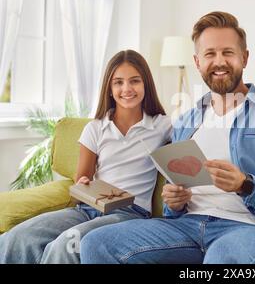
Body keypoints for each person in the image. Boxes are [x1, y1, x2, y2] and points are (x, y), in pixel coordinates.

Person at [79, 11, 255, 264]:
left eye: (228, 52)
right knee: (96, 243)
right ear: (197, 62)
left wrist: (246, 184)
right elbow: (173, 197)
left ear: (244, 58)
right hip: (186, 226)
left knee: (221, 261)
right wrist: (174, 201)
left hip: (248, 227)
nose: (219, 61)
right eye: (210, 54)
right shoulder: (187, 121)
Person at [0, 50, 171, 264]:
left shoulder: (161, 125)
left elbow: (190, 137)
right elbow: (82, 178)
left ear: (146, 84)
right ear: (109, 88)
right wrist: (83, 184)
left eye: (134, 81)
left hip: (129, 214)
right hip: (88, 209)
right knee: (19, 236)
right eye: (118, 82)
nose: (126, 89)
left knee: (65, 245)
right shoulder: (96, 128)